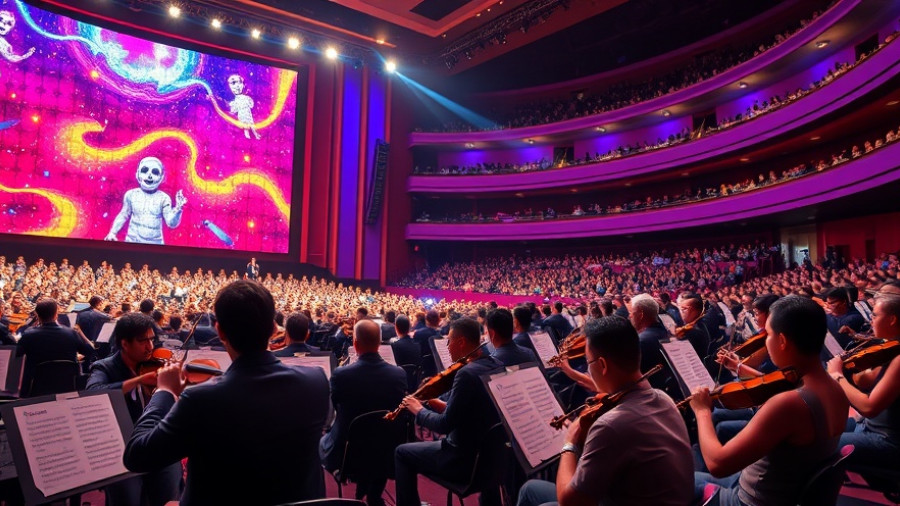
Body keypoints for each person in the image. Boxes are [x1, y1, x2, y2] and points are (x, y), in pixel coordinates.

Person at [123, 281, 330, 506]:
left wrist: (163, 391)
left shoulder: (200, 400)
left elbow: (137, 456)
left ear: (220, 331)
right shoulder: (317, 381)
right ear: (273, 329)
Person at [517, 316, 693, 506]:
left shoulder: (610, 426)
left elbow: (570, 502)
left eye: (588, 362)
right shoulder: (663, 398)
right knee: (531, 489)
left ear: (602, 365)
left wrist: (569, 443)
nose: (588, 368)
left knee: (534, 495)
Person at [692, 296, 848, 506]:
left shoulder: (788, 404)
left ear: (782, 341)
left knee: (673, 479)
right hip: (782, 489)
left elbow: (717, 464)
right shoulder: (836, 388)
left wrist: (702, 411)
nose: (766, 340)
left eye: (769, 334)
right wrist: (740, 368)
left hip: (749, 500)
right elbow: (778, 383)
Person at [394, 318, 504, 506]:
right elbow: (472, 413)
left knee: (401, 453)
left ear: (461, 342)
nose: (447, 345)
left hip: (461, 460)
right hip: (490, 461)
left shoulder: (466, 374)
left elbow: (444, 425)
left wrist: (418, 409)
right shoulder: (496, 364)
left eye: (449, 340)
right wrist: (435, 403)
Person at [86, 313, 180, 506]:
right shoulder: (104, 368)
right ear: (125, 344)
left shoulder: (155, 364)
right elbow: (92, 394)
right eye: (142, 341)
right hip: (121, 447)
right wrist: (138, 380)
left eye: (152, 340)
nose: (150, 348)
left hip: (157, 440)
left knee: (170, 496)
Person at [320, 320, 407, 506]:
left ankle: (348, 484)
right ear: (379, 344)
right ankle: (374, 495)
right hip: (385, 448)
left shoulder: (341, 375)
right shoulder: (399, 374)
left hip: (348, 451)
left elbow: (332, 410)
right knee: (376, 437)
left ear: (355, 343)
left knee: (321, 441)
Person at [827, 283, 900, 473]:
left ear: (892, 320)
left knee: (817, 444)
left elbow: (869, 407)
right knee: (819, 427)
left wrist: (837, 376)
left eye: (875, 315)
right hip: (869, 426)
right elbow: (867, 381)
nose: (871, 319)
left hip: (887, 439)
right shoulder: (889, 347)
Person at [17, 298, 96, 396]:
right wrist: (81, 333)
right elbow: (90, 351)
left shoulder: (29, 335)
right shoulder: (71, 333)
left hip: (38, 388)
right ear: (56, 314)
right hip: (68, 386)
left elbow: (16, 355)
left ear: (37, 315)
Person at [391, 315, 422, 392]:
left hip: (399, 383)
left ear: (396, 328)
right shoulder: (417, 345)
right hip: (414, 384)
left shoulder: (395, 346)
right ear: (409, 328)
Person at [413, 309, 441, 377]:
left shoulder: (418, 333)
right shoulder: (440, 335)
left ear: (426, 320)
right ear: (438, 321)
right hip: (436, 368)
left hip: (422, 368)